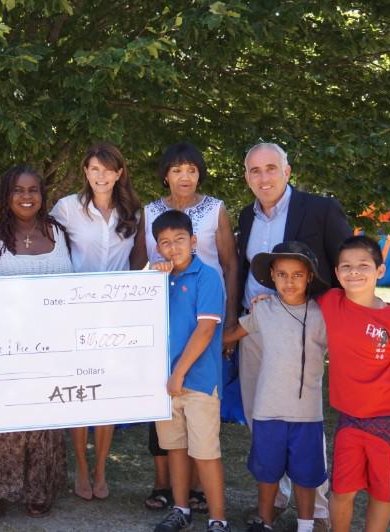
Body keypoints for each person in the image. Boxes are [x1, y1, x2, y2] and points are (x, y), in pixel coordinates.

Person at [235, 142, 352, 529]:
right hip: (255, 330)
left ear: (287, 171)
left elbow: (346, 267)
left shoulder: (320, 209)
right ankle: (279, 494)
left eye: (271, 168)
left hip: (304, 330)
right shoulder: (245, 217)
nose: (263, 177)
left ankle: (316, 510)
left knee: (304, 420)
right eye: (255, 170)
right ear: (247, 177)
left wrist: (345, 325)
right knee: (260, 415)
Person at [0, 165, 72, 522]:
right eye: (18, 190)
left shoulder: (58, 234)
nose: (27, 197)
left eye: (33, 190)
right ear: (6, 196)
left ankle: (39, 491)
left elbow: (72, 289)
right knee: (0, 421)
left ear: (43, 195)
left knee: (41, 421)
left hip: (48, 350)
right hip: (0, 350)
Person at [133, 142, 238, 513]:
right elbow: (140, 263)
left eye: (192, 169)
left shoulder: (215, 209)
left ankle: (200, 496)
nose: (185, 176)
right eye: (177, 169)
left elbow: (229, 262)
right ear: (165, 173)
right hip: (165, 313)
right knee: (166, 420)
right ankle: (169, 489)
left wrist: (232, 317)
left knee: (200, 421)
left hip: (204, 313)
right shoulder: (149, 212)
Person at [318, 236, 390, 532]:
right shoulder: (329, 302)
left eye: (363, 265)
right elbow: (293, 294)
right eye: (346, 267)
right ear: (337, 272)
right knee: (342, 491)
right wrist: (263, 298)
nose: (354, 272)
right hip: (350, 420)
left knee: (382, 493)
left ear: (380, 271)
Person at [50, 142, 141, 501]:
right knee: (79, 394)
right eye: (94, 168)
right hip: (75, 313)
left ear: (119, 173)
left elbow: (139, 259)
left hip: (117, 314)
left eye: (108, 169)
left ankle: (102, 468)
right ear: (86, 172)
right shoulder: (67, 208)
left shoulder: (134, 210)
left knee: (108, 395)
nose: (100, 175)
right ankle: (82, 469)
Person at [223, 242, 330, 532]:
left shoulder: (324, 316)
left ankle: (306, 526)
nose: (289, 281)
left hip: (307, 414)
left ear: (310, 276)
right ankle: (265, 521)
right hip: (267, 410)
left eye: (297, 274)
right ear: (271, 275)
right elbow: (231, 335)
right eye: (281, 274)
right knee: (267, 472)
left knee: (307, 475)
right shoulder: (263, 310)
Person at [149, 210, 228, 532]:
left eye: (179, 240)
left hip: (197, 381)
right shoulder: (157, 279)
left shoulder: (207, 276)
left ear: (193, 240)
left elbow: (205, 330)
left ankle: (218, 518)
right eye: (164, 243)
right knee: (175, 449)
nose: (173, 248)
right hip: (163, 383)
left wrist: (179, 373)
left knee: (205, 452)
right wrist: (152, 276)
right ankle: (181, 509)